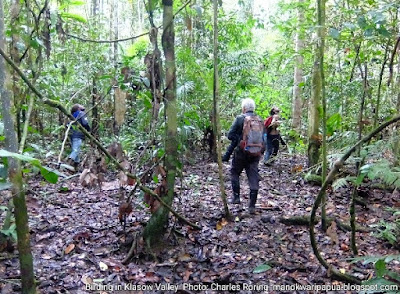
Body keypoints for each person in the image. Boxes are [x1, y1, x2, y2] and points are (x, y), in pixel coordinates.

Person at [227, 98, 263, 214]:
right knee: (253, 176)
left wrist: (240, 142)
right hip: (255, 153)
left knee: (235, 172)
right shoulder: (259, 120)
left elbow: (230, 135)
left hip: (241, 153)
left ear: (243, 108)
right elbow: (264, 139)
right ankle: (252, 206)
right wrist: (259, 152)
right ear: (253, 108)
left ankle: (236, 198)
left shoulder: (239, 118)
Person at [67, 104, 91, 170]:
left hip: (72, 134)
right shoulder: (81, 113)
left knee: (76, 149)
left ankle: (75, 168)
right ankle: (67, 165)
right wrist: (89, 129)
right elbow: (85, 123)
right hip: (78, 134)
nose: (82, 105)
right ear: (78, 108)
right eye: (80, 105)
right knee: (76, 150)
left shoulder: (72, 115)